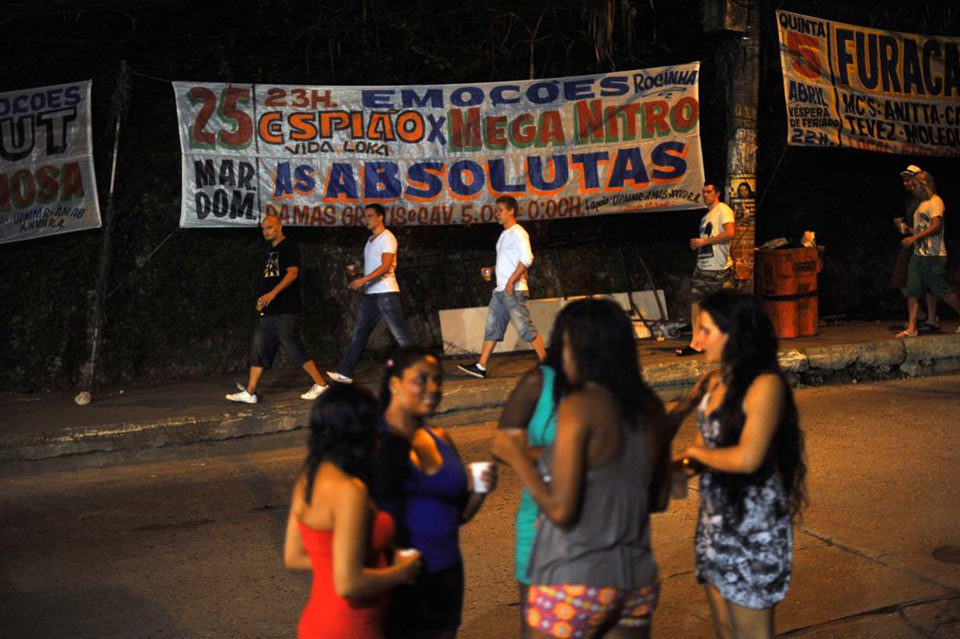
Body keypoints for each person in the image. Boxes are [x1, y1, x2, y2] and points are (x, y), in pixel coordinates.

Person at [493, 299, 673, 639]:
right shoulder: (649, 405)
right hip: (636, 579)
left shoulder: (580, 404)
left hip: (576, 577)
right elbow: (659, 500)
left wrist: (516, 456)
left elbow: (561, 510)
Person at [671, 290, 807, 639]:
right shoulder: (716, 382)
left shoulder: (766, 385)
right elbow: (705, 451)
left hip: (754, 529)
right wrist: (677, 467)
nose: (697, 341)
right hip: (716, 524)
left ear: (734, 333)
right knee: (725, 630)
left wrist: (695, 454)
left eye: (705, 330)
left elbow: (749, 457)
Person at [373, 346, 498, 638]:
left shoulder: (439, 437)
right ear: (394, 383)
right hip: (397, 577)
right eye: (422, 379)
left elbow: (457, 517)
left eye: (438, 380)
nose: (434, 388)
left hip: (447, 571)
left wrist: (480, 489)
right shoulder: (374, 442)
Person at [283, 384, 422, 639]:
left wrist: (340, 563)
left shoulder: (309, 477)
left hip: (317, 623)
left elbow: (293, 556)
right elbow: (349, 583)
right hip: (351, 627)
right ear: (360, 433)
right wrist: (401, 572)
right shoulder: (349, 490)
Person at [491, 309, 570, 638]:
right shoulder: (542, 380)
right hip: (537, 519)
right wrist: (550, 455)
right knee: (537, 627)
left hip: (595, 527)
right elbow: (501, 443)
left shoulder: (609, 388)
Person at [227, 214, 328, 403]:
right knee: (258, 349)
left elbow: (292, 273)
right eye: (264, 228)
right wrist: (263, 298)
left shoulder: (288, 247)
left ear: (279, 227)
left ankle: (321, 384)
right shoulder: (270, 251)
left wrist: (273, 294)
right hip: (269, 311)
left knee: (293, 347)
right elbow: (270, 278)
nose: (266, 231)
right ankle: (250, 392)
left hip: (285, 309)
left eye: (270, 227)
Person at [458, 196, 546, 378]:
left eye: (500, 210)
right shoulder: (504, 235)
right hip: (500, 291)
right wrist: (491, 269)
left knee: (525, 329)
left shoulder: (518, 232)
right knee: (492, 328)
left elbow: (527, 258)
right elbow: (508, 261)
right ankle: (481, 367)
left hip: (513, 290)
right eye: (496, 210)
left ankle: (548, 365)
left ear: (511, 211)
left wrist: (511, 280)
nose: (496, 214)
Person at [327, 204, 413, 384]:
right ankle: (345, 373)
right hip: (371, 294)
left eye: (370, 216)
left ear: (380, 217)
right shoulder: (370, 241)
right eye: (365, 216)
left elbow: (385, 266)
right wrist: (357, 274)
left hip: (386, 292)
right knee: (360, 333)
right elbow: (373, 268)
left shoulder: (387, 238)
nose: (366, 219)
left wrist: (363, 280)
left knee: (400, 335)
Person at [897, 171, 960, 338]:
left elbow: (936, 226)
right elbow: (923, 228)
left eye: (915, 185)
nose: (912, 188)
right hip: (919, 254)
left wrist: (914, 237)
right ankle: (912, 328)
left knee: (942, 290)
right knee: (913, 290)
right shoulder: (921, 205)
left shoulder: (935, 201)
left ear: (924, 186)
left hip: (934, 255)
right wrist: (910, 231)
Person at [677, 184, 736, 357]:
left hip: (717, 267)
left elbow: (730, 233)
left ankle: (703, 343)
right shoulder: (705, 218)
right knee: (701, 304)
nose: (705, 195)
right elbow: (708, 240)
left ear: (717, 193)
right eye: (703, 192)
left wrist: (704, 242)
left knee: (707, 305)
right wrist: (698, 245)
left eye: (709, 192)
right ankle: (700, 343)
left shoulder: (723, 209)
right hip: (704, 266)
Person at [892, 165, 938, 333]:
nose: (906, 183)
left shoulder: (929, 199)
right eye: (905, 180)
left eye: (910, 179)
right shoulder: (910, 198)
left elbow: (935, 225)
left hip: (925, 245)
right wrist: (906, 229)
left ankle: (928, 319)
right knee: (903, 279)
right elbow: (918, 225)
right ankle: (918, 317)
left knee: (933, 285)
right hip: (913, 242)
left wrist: (915, 236)